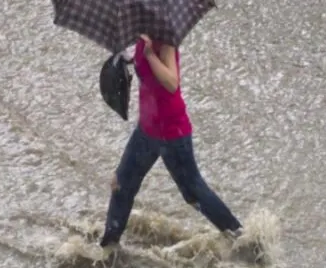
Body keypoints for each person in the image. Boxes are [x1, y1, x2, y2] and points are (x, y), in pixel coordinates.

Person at [100, 34, 244, 249]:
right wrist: (126, 59)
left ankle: (239, 238)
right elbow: (143, 70)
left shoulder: (165, 40)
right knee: (122, 184)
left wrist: (150, 55)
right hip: (147, 130)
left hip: (171, 132)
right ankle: (109, 247)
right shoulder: (142, 37)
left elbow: (171, 83)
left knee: (193, 192)